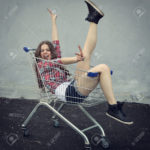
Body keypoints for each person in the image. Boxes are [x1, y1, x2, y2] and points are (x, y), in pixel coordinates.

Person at [35, 0, 133, 125]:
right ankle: (113, 107)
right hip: (69, 93)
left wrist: (53, 20)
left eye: (48, 50)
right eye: (42, 50)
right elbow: (60, 60)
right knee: (103, 68)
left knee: (86, 54)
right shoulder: (41, 64)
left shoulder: (53, 56)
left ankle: (94, 19)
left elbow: (55, 41)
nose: (45, 52)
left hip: (72, 85)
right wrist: (75, 59)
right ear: (39, 54)